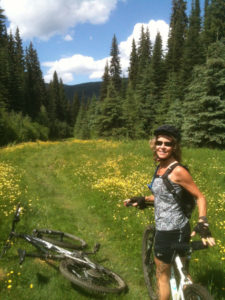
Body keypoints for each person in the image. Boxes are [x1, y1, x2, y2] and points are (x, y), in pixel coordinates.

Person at [124, 124, 215, 300]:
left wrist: (203, 222)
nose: (162, 146)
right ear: (154, 144)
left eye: (167, 143)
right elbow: (165, 196)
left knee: (162, 276)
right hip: (181, 229)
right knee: (182, 269)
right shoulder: (160, 168)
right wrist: (142, 199)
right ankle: (190, 294)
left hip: (167, 231)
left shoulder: (178, 170)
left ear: (174, 147)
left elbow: (200, 197)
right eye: (159, 143)